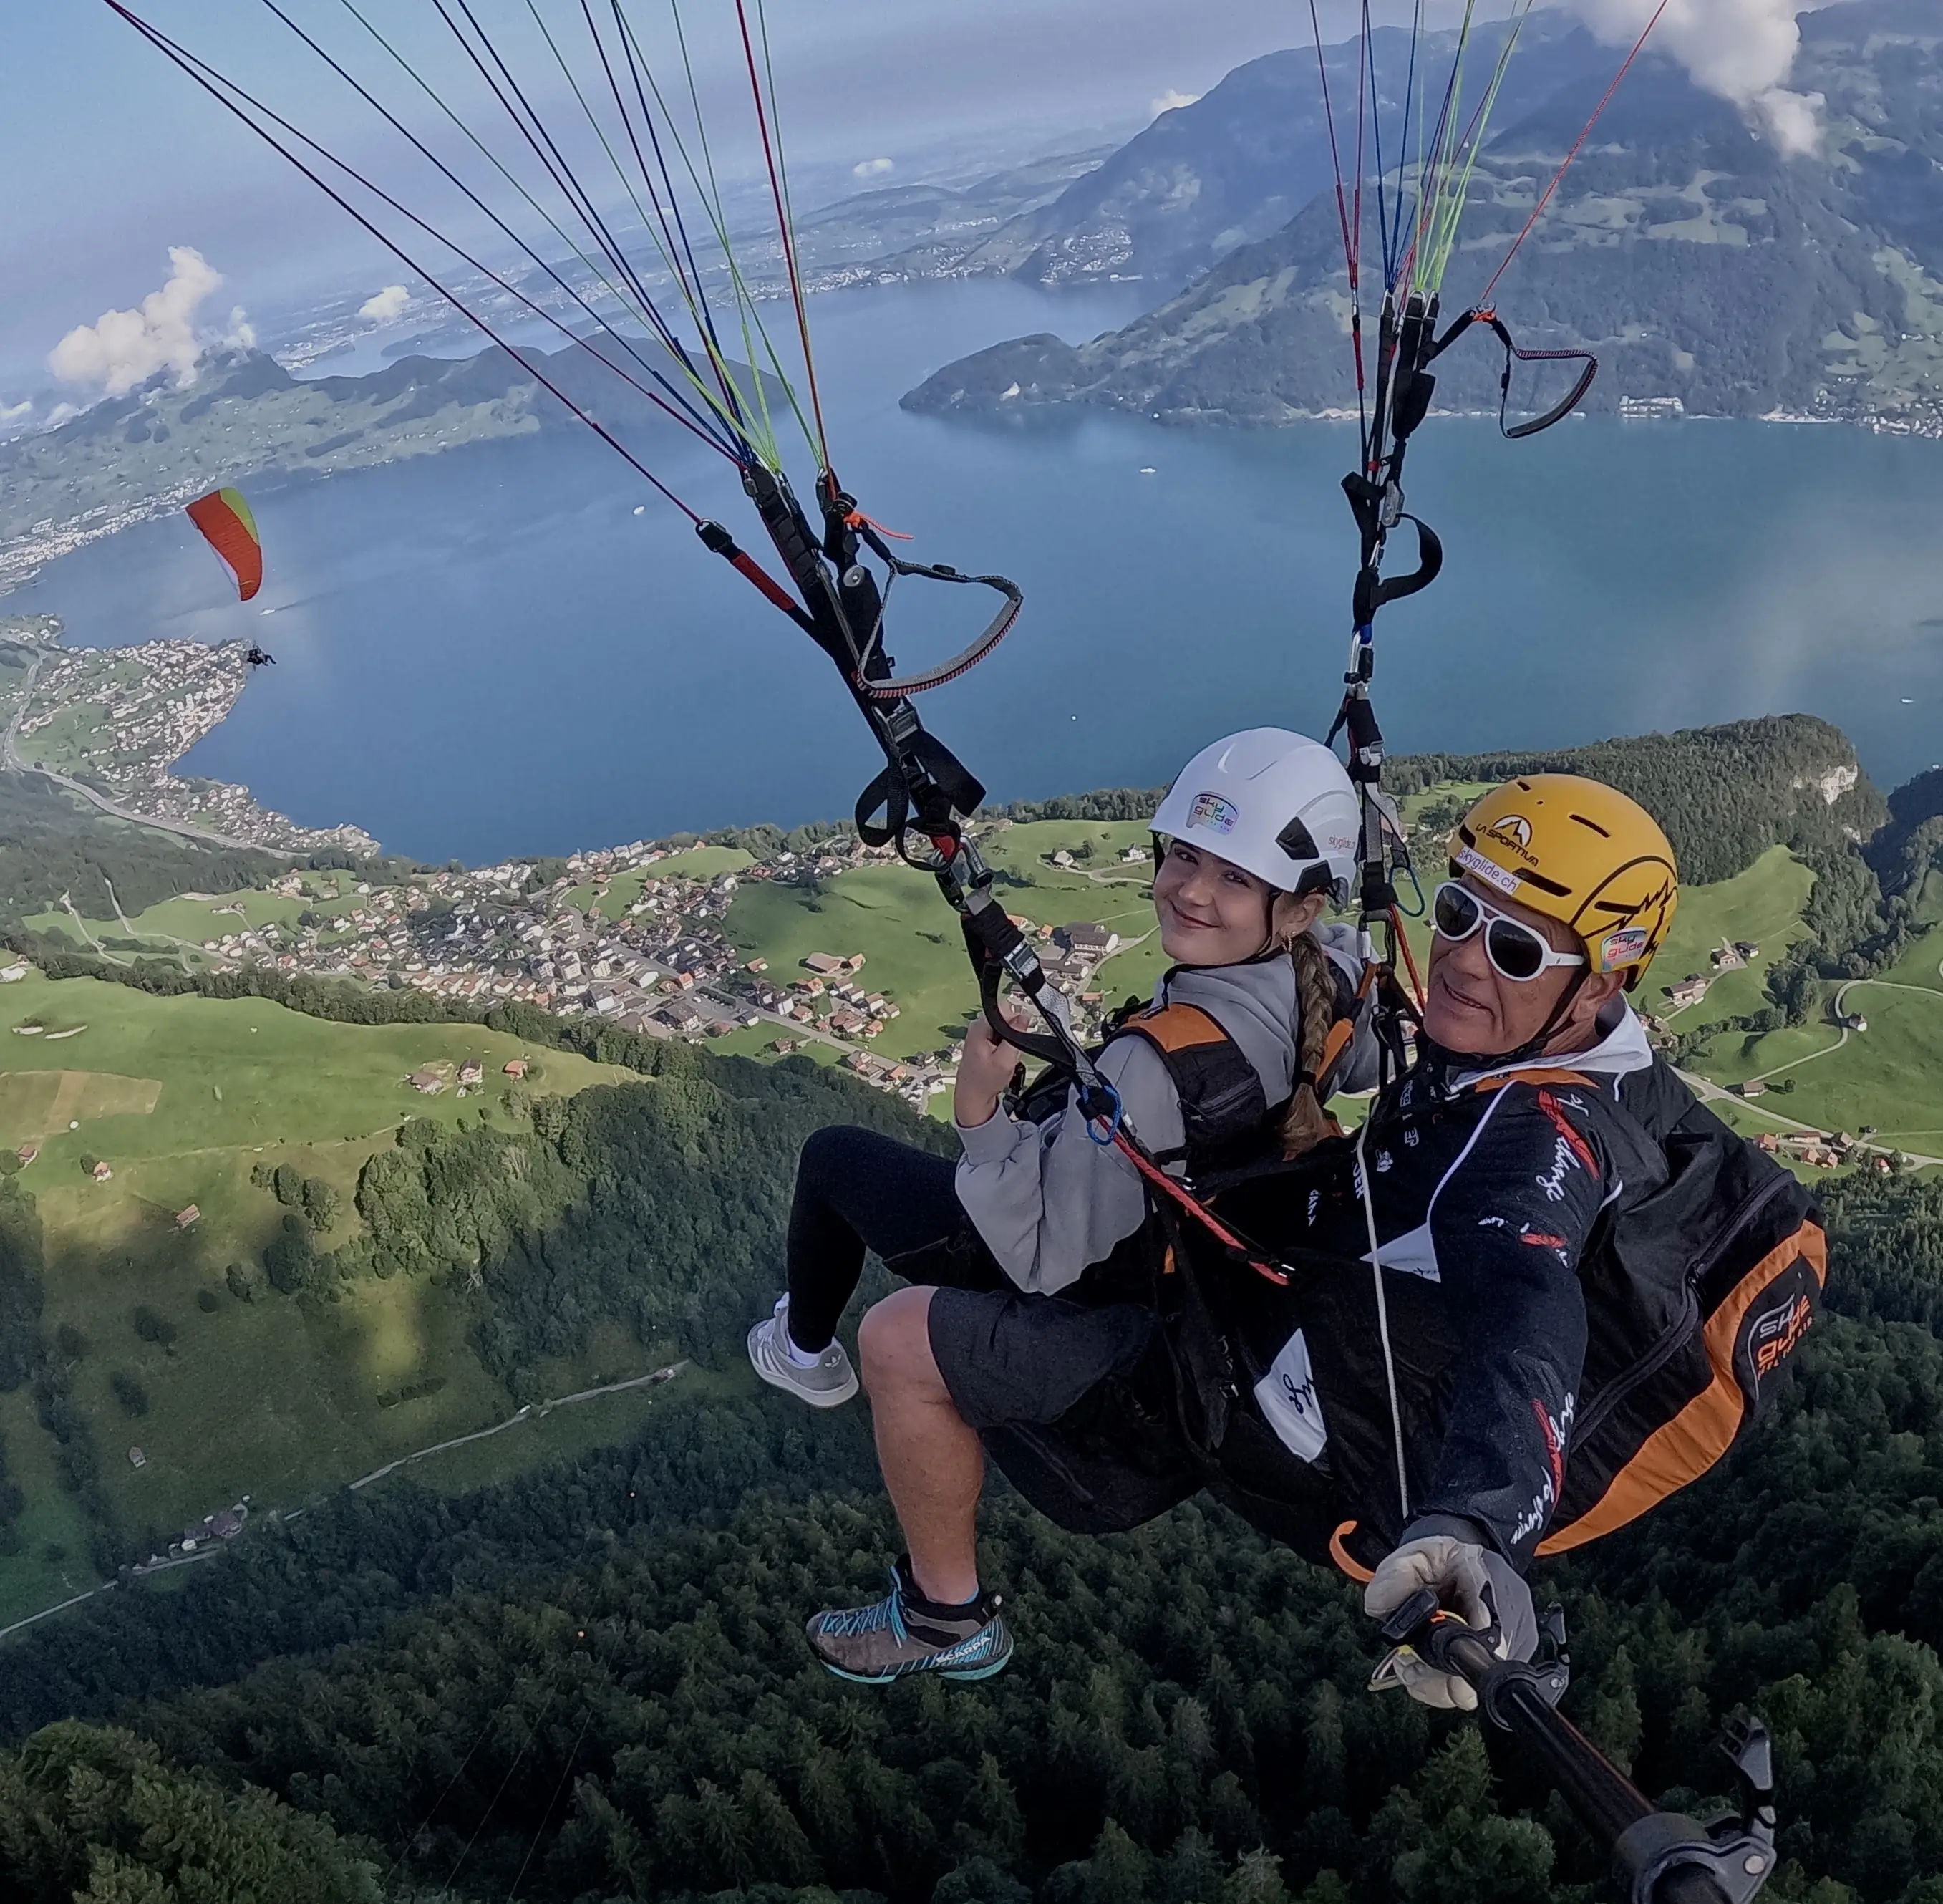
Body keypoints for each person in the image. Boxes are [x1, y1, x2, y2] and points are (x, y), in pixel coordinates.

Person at [805, 771, 1816, 1705]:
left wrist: (1479, 1526)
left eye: (1514, 949)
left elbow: (1526, 1307)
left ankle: (947, 1616)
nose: (1463, 961)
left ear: (1603, 981)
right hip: (1266, 1295)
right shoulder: (1564, 1057)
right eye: (1459, 913)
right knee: (877, 1185)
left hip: (1238, 1404)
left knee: (899, 1339)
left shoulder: (1530, 1144)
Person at [745, 729, 1377, 1682]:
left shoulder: (1153, 1068)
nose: (1190, 890)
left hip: (1120, 1356)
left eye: (1230, 878)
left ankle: (940, 1613)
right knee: (839, 1162)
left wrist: (978, 1111)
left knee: (891, 1322)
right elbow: (1364, 1048)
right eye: (1183, 857)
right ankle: (800, 1352)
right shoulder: (1326, 979)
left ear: (1293, 906)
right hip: (1179, 1277)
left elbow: (1034, 1256)